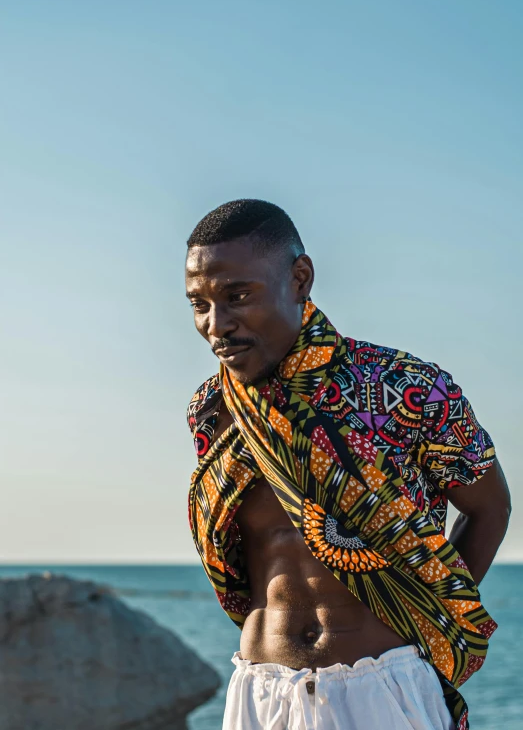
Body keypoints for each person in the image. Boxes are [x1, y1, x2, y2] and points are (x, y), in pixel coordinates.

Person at [185, 199, 511, 730]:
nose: (216, 324)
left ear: (300, 278)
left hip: (382, 686)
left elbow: (490, 509)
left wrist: (424, 613)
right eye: (199, 303)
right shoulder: (213, 409)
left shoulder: (407, 387)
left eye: (237, 295)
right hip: (260, 691)